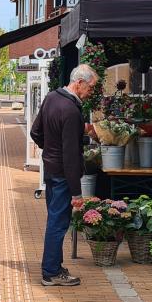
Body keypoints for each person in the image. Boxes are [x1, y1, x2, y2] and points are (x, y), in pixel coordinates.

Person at [30, 63, 99, 286]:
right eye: (90, 88)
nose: (91, 93)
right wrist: (77, 193)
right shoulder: (70, 110)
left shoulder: (51, 97)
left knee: (54, 219)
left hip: (51, 169)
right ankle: (51, 272)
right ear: (79, 83)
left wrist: (49, 150)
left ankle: (54, 267)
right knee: (58, 223)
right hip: (62, 173)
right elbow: (70, 154)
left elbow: (35, 131)